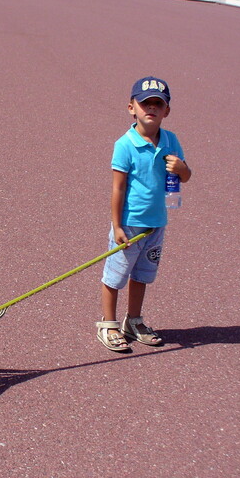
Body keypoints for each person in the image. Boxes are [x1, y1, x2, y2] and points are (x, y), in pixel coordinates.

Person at [96, 76, 191, 352]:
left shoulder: (171, 141)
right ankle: (108, 324)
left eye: (157, 104)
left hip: (156, 224)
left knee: (142, 275)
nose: (151, 108)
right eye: (145, 102)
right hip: (129, 224)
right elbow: (117, 188)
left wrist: (181, 169)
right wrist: (117, 225)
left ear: (166, 111)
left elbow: (185, 177)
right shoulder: (124, 144)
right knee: (114, 276)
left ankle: (133, 321)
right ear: (131, 108)